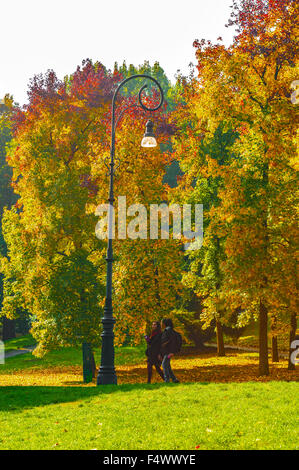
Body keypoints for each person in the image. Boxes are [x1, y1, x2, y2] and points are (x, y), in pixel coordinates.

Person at [161, 318, 180, 383]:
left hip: (169, 352)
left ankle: (167, 380)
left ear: (164, 323)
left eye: (161, 322)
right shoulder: (167, 330)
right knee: (167, 366)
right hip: (167, 351)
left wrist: (172, 352)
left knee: (164, 365)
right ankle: (174, 379)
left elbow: (173, 341)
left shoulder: (168, 330)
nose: (161, 324)